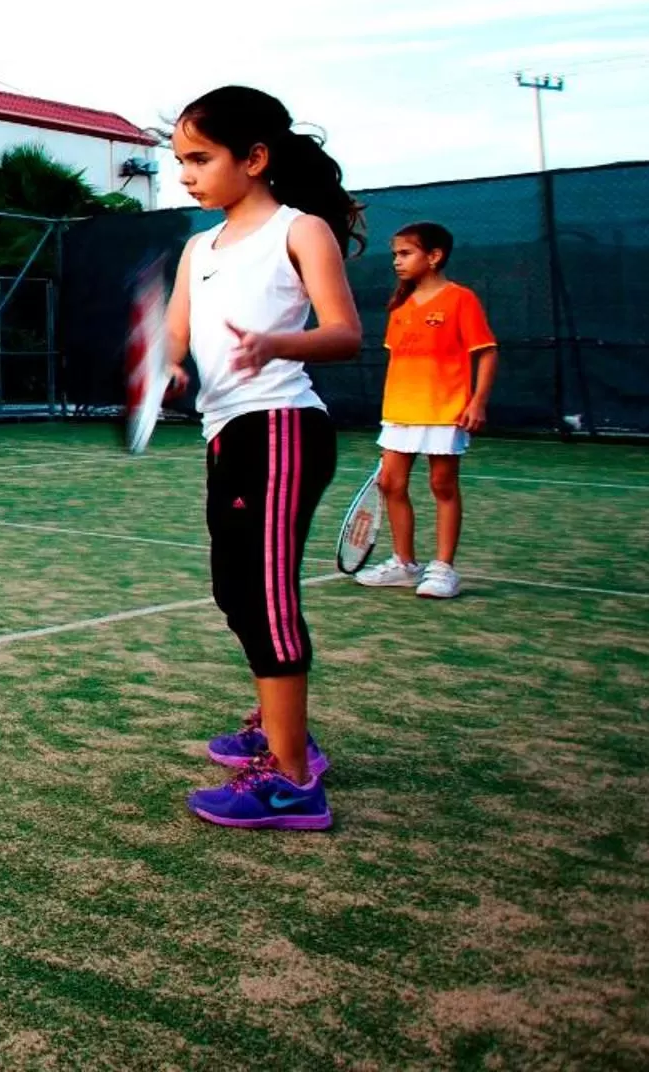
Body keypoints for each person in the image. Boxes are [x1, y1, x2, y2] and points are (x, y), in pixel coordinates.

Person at [164, 87, 363, 830]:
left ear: (254, 158)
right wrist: (168, 367)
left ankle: (291, 777)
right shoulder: (197, 247)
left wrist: (277, 342)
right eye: (179, 159)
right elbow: (178, 334)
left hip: (282, 427)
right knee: (235, 591)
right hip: (228, 432)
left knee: (265, 595)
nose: (186, 174)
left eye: (200, 158)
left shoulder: (300, 230)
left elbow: (345, 334)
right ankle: (280, 725)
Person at [356, 222, 497, 600]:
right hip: (400, 410)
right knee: (391, 484)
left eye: (406, 254)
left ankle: (444, 568)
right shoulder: (400, 305)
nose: (397, 262)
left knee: (442, 485)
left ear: (434, 256)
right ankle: (404, 564)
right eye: (395, 255)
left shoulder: (460, 299)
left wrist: (477, 401)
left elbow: (486, 351)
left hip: (445, 409)